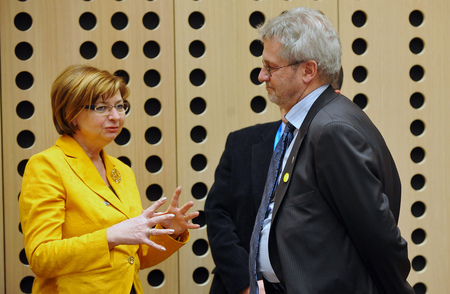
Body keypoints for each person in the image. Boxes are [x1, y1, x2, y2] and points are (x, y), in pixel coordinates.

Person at [248, 7, 414, 294]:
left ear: (308, 71)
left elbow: (379, 237)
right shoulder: (311, 121)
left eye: (272, 67)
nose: (262, 76)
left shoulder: (332, 130)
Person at [19, 65, 200, 294]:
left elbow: (133, 258)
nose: (116, 116)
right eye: (102, 108)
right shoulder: (47, 166)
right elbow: (40, 257)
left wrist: (169, 230)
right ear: (71, 115)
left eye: (119, 106)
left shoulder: (121, 170)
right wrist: (110, 236)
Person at [205, 66, 343, 294]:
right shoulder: (241, 142)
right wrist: (246, 282)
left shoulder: (340, 152)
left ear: (333, 98)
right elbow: (218, 214)